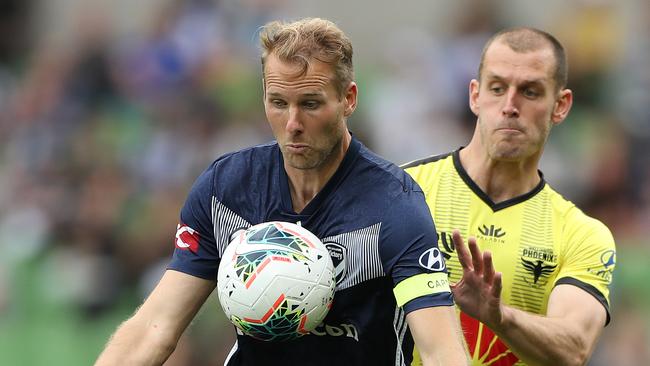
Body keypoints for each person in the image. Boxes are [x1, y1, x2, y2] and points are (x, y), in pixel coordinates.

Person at [95, 18, 469, 366]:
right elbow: (154, 327)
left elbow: (440, 352)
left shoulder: (394, 206)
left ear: (348, 99)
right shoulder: (225, 190)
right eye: (278, 102)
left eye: (310, 104)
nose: (292, 124)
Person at [404, 27, 616, 366]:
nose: (509, 106)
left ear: (560, 106)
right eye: (497, 88)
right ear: (475, 95)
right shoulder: (405, 190)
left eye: (530, 92)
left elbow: (574, 347)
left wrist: (499, 316)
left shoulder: (582, 234)